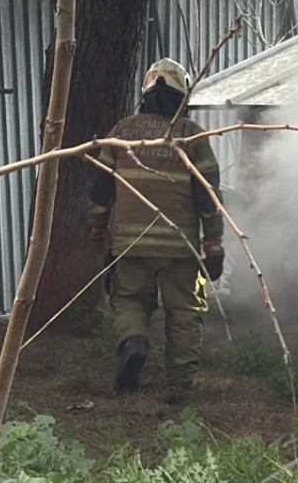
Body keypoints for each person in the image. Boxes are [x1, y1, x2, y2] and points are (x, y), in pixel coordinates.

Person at [86, 58, 225, 404]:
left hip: (131, 245)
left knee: (130, 299)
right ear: (183, 96)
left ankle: (133, 342)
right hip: (179, 247)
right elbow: (208, 193)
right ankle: (179, 386)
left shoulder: (121, 132)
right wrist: (214, 241)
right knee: (184, 313)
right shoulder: (192, 134)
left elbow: (101, 189)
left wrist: (98, 227)